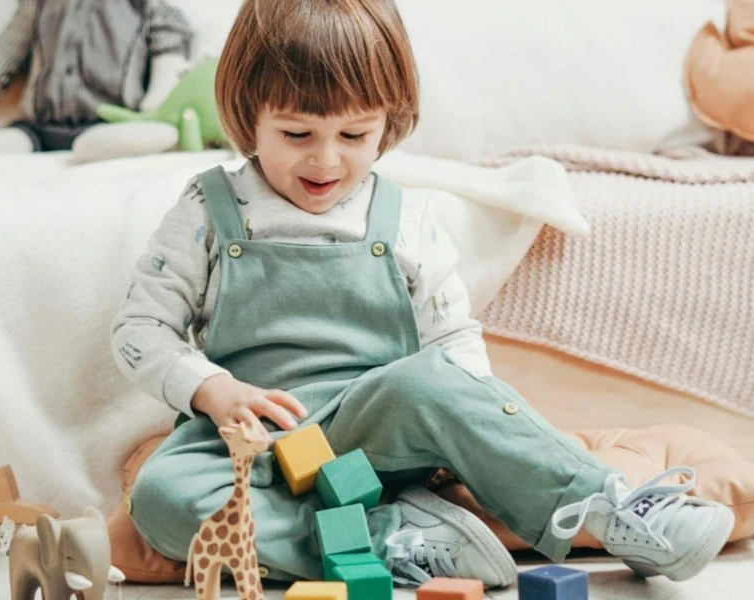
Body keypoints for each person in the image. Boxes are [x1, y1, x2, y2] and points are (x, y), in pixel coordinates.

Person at [111, 0, 734, 588]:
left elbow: (452, 344)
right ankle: (392, 538)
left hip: (371, 430)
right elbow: (141, 330)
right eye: (297, 134)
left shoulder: (405, 219)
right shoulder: (207, 208)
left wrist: (462, 430)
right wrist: (211, 390)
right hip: (247, 441)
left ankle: (609, 508)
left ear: (391, 121)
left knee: (430, 380)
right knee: (162, 499)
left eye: (355, 136)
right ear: (250, 114)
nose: (326, 161)